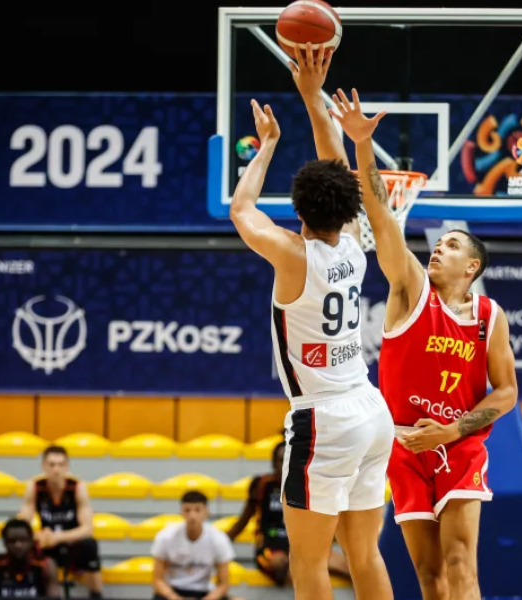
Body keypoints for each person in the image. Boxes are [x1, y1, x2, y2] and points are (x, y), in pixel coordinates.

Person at [330, 88, 521, 600]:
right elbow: (380, 218)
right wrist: (363, 146)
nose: (438, 249)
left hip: (459, 444)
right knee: (429, 577)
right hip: (403, 445)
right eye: (438, 244)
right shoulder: (411, 290)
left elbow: (506, 392)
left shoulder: (489, 316)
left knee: (461, 565)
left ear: (472, 266)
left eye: (451, 246)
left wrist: (454, 430)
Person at [226, 43, 395, 600]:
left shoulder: (293, 255)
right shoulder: (354, 242)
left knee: (308, 561)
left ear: (298, 211)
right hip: (371, 409)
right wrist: (312, 98)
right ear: (348, 209)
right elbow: (337, 166)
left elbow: (241, 209)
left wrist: (268, 145)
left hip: (324, 419)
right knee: (364, 554)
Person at [226, 440, 351, 587]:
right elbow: (242, 521)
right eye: (282, 460)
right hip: (270, 548)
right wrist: (219, 543)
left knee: (351, 568)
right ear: (274, 464)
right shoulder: (262, 485)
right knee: (287, 565)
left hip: (303, 547)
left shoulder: (308, 487)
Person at [18, 445, 103, 597]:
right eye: (51, 465)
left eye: (60, 465)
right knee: (21, 545)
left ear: (67, 467)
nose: (56, 470)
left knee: (90, 545)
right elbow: (21, 527)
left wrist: (58, 537)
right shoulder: (35, 487)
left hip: (72, 543)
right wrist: (38, 535)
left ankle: (96, 594)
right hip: (48, 543)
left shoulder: (77, 488)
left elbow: (87, 529)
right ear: (44, 466)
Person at [150, 491, 236, 600]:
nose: (192, 516)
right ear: (181, 512)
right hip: (174, 591)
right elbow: (157, 580)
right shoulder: (166, 536)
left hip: (205, 592)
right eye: (187, 510)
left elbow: (223, 584)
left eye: (197, 510)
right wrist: (175, 598)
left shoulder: (218, 539)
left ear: (206, 512)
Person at [0, 518, 62, 598]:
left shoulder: (45, 565)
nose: (18, 545)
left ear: (31, 541)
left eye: (23, 540)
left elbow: (54, 596)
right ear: (5, 542)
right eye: (12, 541)